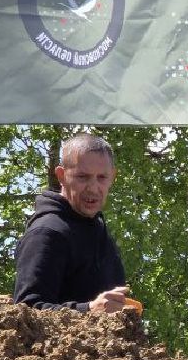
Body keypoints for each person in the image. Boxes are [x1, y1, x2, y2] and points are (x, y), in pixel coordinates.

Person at [13, 133, 131, 313]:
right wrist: (89, 309)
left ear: (112, 177)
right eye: (82, 177)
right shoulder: (47, 233)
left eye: (102, 177)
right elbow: (26, 310)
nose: (93, 188)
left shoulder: (101, 234)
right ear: (61, 175)